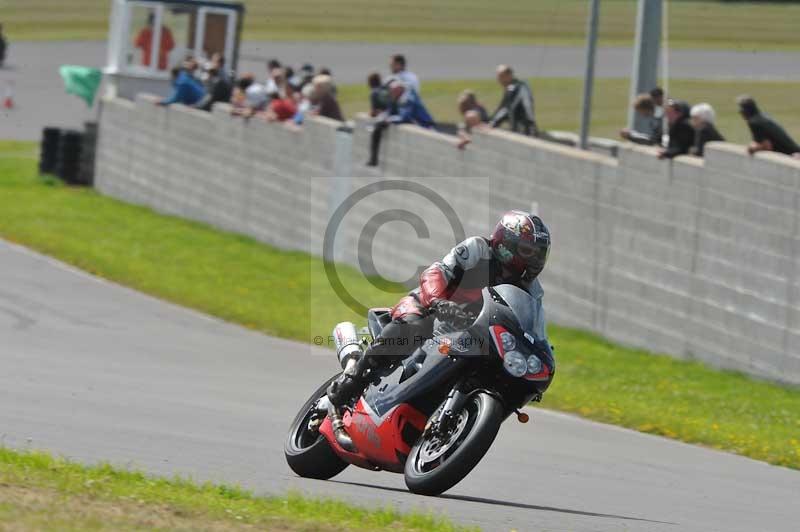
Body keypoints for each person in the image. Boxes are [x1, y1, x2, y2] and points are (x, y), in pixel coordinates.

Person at [327, 210, 555, 409]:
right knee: (414, 326)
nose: (534, 259)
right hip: (431, 310)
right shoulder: (477, 249)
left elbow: (530, 322)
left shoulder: (533, 290)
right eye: (527, 251)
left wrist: (536, 352)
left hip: (472, 336)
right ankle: (355, 376)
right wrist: (439, 302)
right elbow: (437, 272)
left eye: (538, 253)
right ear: (506, 242)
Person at [367, 81, 435, 166]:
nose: (391, 94)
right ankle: (373, 159)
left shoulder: (409, 98)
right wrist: (383, 117)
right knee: (378, 126)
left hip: (426, 127)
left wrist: (389, 120)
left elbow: (404, 117)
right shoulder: (398, 97)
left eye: (392, 91)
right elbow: (390, 112)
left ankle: (373, 160)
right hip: (418, 128)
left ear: (399, 90)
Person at [489, 65, 537, 136]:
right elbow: (503, 107)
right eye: (498, 77)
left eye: (501, 76)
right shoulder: (517, 87)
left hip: (524, 128)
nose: (499, 80)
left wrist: (492, 123)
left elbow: (506, 109)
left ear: (509, 75)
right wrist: (491, 120)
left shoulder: (514, 88)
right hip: (523, 127)